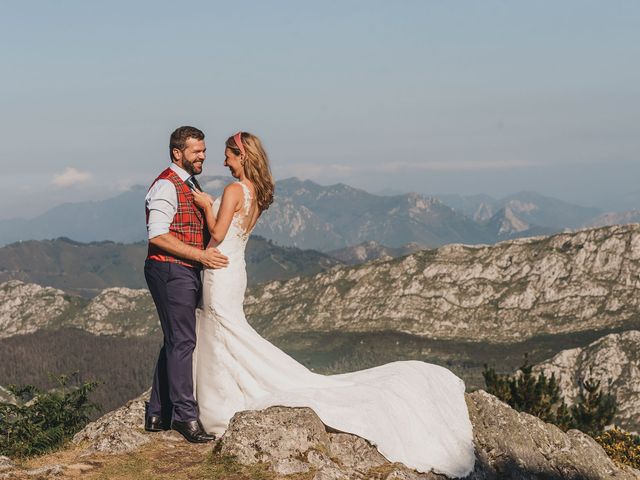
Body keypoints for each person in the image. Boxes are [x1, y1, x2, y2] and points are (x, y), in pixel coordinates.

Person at [191, 132, 475, 477]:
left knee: (223, 330)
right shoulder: (257, 194)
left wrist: (206, 206)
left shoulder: (234, 190)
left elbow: (217, 235)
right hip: (236, 269)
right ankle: (225, 395)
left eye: (229, 156)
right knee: (230, 331)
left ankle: (219, 404)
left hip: (220, 267)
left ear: (243, 156)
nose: (224, 162)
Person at [143, 126, 228, 443]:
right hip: (169, 270)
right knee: (183, 342)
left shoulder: (188, 183)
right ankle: (185, 417)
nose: (203, 156)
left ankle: (157, 412)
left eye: (204, 151)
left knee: (175, 340)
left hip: (181, 270)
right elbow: (158, 235)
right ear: (177, 152)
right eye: (197, 151)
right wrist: (201, 256)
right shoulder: (167, 185)